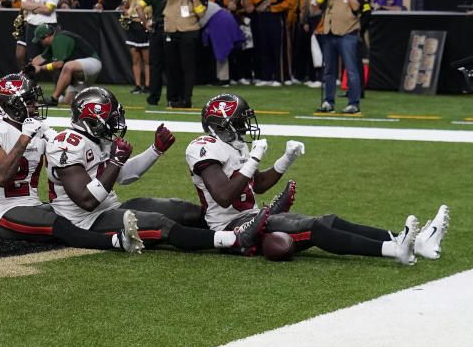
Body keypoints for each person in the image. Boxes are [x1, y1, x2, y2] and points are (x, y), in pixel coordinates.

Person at [186, 93, 448, 265]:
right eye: (239, 122)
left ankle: (409, 240)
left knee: (328, 220)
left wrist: (285, 159)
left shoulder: (234, 144)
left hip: (250, 216)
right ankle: (394, 250)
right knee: (315, 228)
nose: (245, 127)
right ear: (219, 126)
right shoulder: (203, 147)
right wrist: (253, 161)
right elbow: (224, 195)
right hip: (232, 230)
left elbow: (257, 185)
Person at [45, 87, 264, 254]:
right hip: (86, 222)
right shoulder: (67, 144)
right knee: (161, 224)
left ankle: (237, 226)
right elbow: (87, 200)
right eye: (110, 118)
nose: (116, 122)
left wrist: (155, 150)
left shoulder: (96, 139)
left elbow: (122, 176)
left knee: (183, 210)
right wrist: (116, 161)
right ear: (91, 119)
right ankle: (235, 239)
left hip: (109, 208)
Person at [0, 74, 143, 252]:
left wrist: (95, 142)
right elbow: (0, 177)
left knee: (68, 215)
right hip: (4, 211)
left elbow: (65, 146)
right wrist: (25, 137)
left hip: (34, 205)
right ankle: (116, 242)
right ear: (11, 106)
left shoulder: (38, 127)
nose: (37, 105)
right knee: (58, 224)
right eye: (30, 101)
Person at [139, 0, 207, 108]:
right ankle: (173, 98)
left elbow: (201, 12)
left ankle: (186, 99)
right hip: (170, 30)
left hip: (188, 31)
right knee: (172, 67)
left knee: (187, 68)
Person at [313, 0, 366, 114]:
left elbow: (357, 7)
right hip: (329, 34)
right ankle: (328, 102)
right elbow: (318, 2)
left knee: (351, 70)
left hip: (347, 34)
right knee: (329, 71)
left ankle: (353, 103)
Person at [27, 23, 102, 106]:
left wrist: (41, 68)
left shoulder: (59, 38)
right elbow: (41, 58)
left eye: (41, 40)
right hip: (80, 74)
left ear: (47, 36)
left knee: (67, 66)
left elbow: (59, 64)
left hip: (92, 62)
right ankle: (95, 100)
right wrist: (27, 69)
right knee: (69, 100)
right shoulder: (55, 41)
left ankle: (54, 99)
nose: (40, 43)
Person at [16, 0, 60, 70]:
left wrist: (32, 6)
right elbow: (23, 5)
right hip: (32, 26)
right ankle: (32, 86)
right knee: (32, 59)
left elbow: (48, 10)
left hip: (48, 26)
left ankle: (58, 85)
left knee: (54, 58)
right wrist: (40, 5)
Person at [249, 0, 289, 86]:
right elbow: (255, 0)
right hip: (262, 18)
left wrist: (271, 7)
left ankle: (278, 77)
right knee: (264, 47)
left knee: (276, 48)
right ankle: (266, 77)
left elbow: (287, 3)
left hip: (276, 17)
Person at [121, 0, 152, 94]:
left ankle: (148, 86)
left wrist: (147, 21)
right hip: (133, 28)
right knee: (135, 60)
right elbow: (124, 9)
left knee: (147, 60)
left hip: (144, 28)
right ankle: (138, 85)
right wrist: (127, 16)